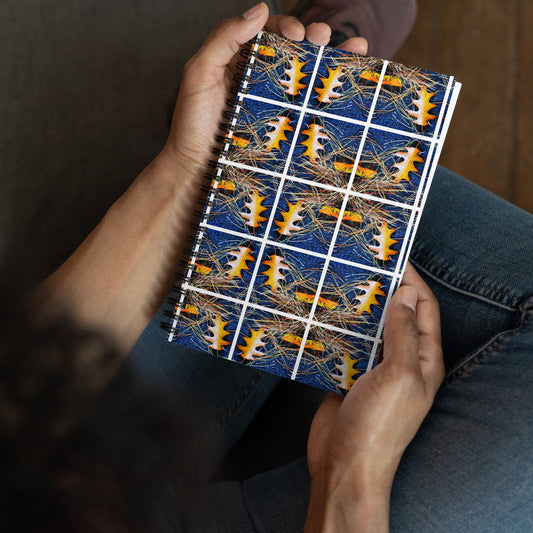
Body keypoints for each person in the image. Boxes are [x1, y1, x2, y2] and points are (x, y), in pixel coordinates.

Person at [2, 2, 532, 531]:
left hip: (49, 478)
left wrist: (184, 174)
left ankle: (281, 118)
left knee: (247, 212)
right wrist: (349, 479)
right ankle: (308, 109)